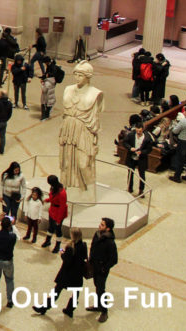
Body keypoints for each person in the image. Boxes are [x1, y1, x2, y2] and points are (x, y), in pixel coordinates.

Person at [59, 61, 105, 191]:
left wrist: (95, 138)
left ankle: (88, 190)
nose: (77, 78)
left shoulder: (96, 93)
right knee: (66, 161)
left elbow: (95, 118)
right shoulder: (68, 89)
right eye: (76, 74)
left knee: (83, 163)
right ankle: (68, 188)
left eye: (81, 75)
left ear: (88, 76)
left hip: (84, 131)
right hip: (68, 128)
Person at [33, 227, 88, 317]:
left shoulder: (70, 248)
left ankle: (44, 307)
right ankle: (70, 310)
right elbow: (84, 257)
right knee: (75, 293)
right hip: (78, 274)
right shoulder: (84, 245)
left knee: (56, 291)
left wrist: (62, 253)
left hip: (67, 274)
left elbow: (67, 261)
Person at [87, 218, 118, 322]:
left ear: (108, 228)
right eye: (100, 224)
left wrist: (104, 268)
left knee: (101, 290)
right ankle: (98, 305)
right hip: (94, 266)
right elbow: (92, 247)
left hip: (102, 269)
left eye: (102, 225)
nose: (100, 226)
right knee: (97, 287)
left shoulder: (110, 242)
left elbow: (114, 259)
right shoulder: (97, 234)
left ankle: (104, 311)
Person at [123, 118, 153, 195]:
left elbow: (149, 149)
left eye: (140, 131)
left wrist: (142, 152)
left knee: (142, 174)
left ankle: (141, 190)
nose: (138, 132)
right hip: (132, 157)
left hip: (141, 158)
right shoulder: (131, 135)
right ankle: (129, 188)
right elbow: (125, 143)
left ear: (142, 129)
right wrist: (130, 148)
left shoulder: (147, 138)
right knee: (130, 173)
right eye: (137, 131)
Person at [41, 174, 68, 252]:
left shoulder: (62, 193)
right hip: (52, 210)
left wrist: (58, 220)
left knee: (58, 229)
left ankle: (57, 245)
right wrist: (47, 200)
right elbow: (52, 198)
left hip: (59, 212)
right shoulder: (53, 188)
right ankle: (48, 241)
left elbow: (62, 207)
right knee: (51, 227)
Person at [169, 109, 186, 182]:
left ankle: (177, 177)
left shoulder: (183, 121)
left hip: (183, 143)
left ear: (185, 112)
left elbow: (175, 131)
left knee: (180, 160)